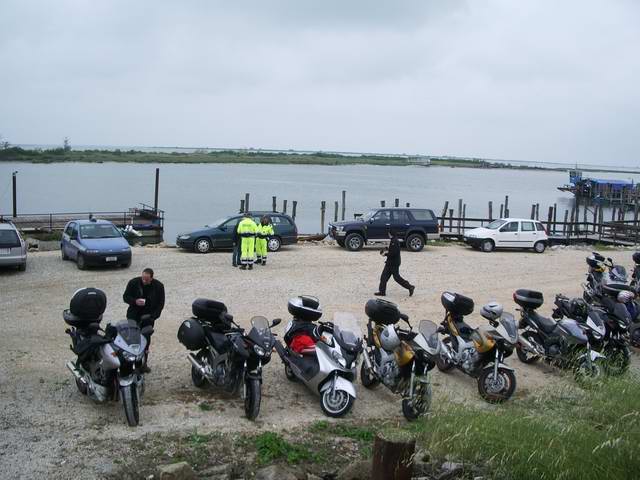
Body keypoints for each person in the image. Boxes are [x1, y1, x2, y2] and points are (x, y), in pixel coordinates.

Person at [123, 268, 165, 372]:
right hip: (133, 315)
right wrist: (135, 301)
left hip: (148, 317)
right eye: (143, 278)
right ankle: (131, 363)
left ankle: (143, 364)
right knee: (133, 340)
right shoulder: (133, 283)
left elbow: (160, 304)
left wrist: (153, 317)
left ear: (151, 278)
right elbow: (125, 297)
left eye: (146, 279)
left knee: (146, 341)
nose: (144, 281)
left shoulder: (159, 286)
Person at [375, 230, 415, 297]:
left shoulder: (394, 241)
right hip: (390, 263)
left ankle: (410, 287)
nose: (388, 235)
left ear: (390, 234)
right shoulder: (394, 240)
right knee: (384, 277)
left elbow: (394, 253)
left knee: (396, 278)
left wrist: (385, 254)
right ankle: (382, 292)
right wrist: (386, 249)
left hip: (393, 264)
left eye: (388, 234)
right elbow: (392, 250)